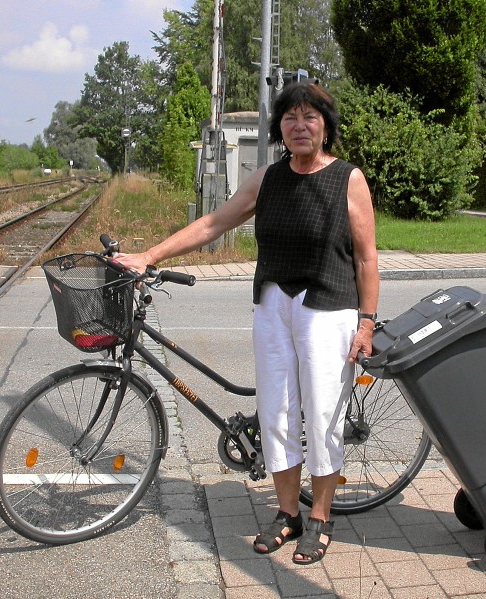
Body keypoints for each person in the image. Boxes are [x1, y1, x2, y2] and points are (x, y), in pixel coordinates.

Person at [112, 81, 379, 565]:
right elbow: (214, 223)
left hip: (329, 307)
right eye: (291, 118)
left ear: (325, 126)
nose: (300, 126)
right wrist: (149, 255)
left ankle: (319, 517)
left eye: (310, 117)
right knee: (276, 411)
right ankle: (286, 514)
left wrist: (366, 323)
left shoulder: (348, 179)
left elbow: (366, 257)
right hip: (274, 304)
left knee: (322, 416)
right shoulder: (267, 179)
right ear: (280, 127)